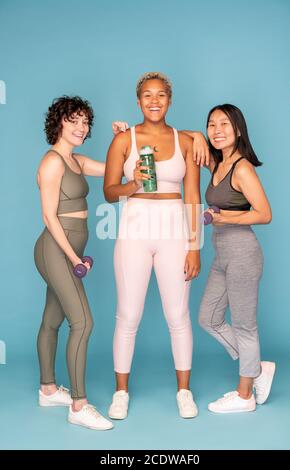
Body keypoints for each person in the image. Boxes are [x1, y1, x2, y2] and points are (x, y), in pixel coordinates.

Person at [104, 72, 204, 419]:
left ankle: (184, 392)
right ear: (138, 101)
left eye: (161, 95)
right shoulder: (123, 140)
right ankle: (120, 393)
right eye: (147, 95)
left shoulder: (187, 141)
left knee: (178, 315)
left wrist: (195, 246)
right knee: (128, 315)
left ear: (170, 100)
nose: (154, 101)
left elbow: (193, 195)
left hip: (174, 228)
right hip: (135, 227)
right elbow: (109, 191)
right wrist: (132, 185)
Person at [34, 95, 113, 430]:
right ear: (59, 122)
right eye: (74, 120)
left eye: (85, 122)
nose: (81, 127)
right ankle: (79, 406)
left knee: (53, 319)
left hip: (68, 250)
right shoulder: (52, 162)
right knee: (83, 323)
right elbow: (50, 217)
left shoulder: (77, 161)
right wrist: (74, 259)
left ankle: (48, 389)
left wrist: (123, 137)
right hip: (56, 248)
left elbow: (114, 168)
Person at [198, 104, 275, 413]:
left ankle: (245, 396)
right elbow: (190, 139)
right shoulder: (218, 163)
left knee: (245, 326)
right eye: (211, 124)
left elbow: (265, 214)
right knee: (208, 318)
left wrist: (224, 217)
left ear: (238, 130)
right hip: (223, 254)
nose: (217, 130)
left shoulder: (242, 168)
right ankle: (257, 368)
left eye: (224, 125)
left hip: (243, 253)